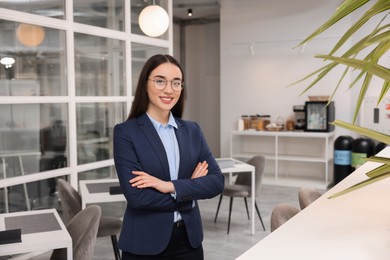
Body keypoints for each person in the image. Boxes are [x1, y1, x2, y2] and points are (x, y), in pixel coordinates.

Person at [113, 54, 225, 259]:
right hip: (144, 244)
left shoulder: (192, 130)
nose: (168, 90)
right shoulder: (126, 133)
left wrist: (170, 186)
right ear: (145, 84)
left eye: (176, 83)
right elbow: (138, 197)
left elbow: (216, 182)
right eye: (159, 81)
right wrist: (189, 190)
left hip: (189, 242)